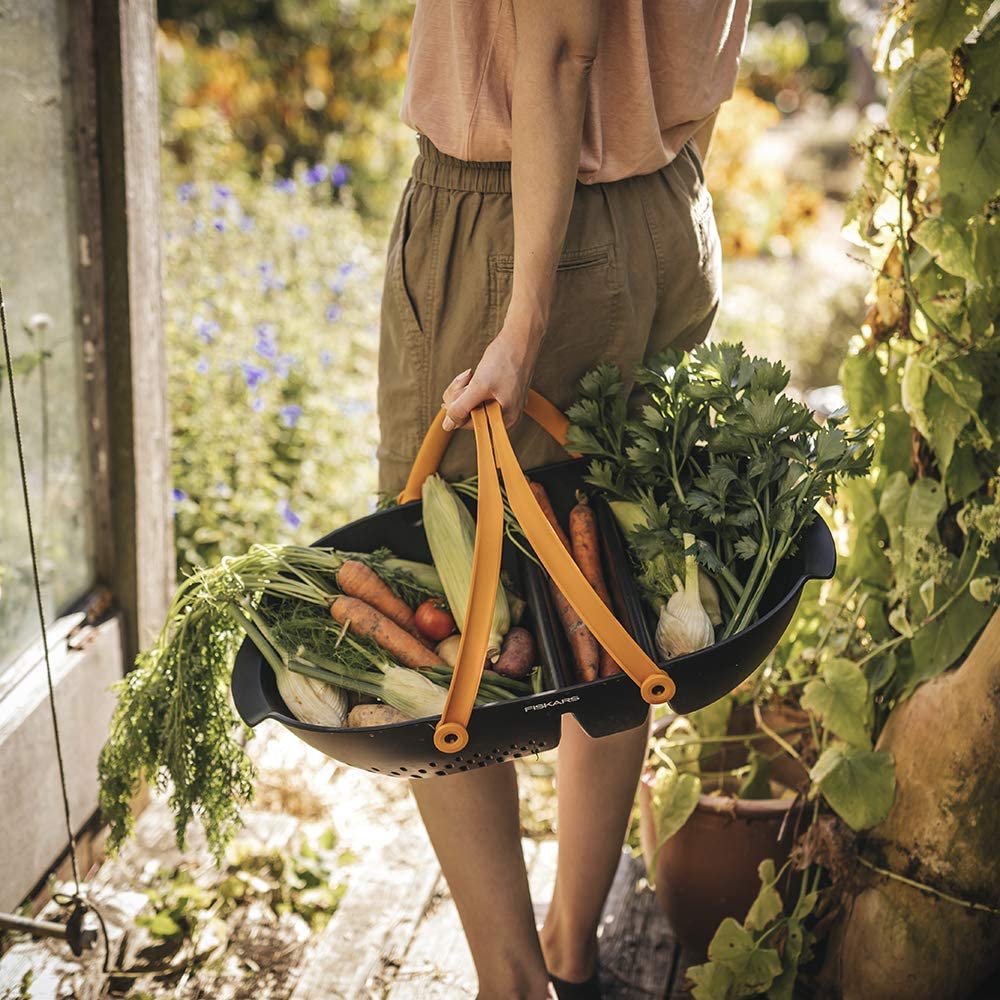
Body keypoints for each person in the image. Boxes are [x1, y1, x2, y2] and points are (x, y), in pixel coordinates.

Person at [377, 2, 750, 997]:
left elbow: (552, 46)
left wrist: (523, 319)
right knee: (610, 597)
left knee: (454, 607)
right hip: (667, 207)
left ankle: (513, 985)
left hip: (513, 219)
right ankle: (567, 947)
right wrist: (662, 181)